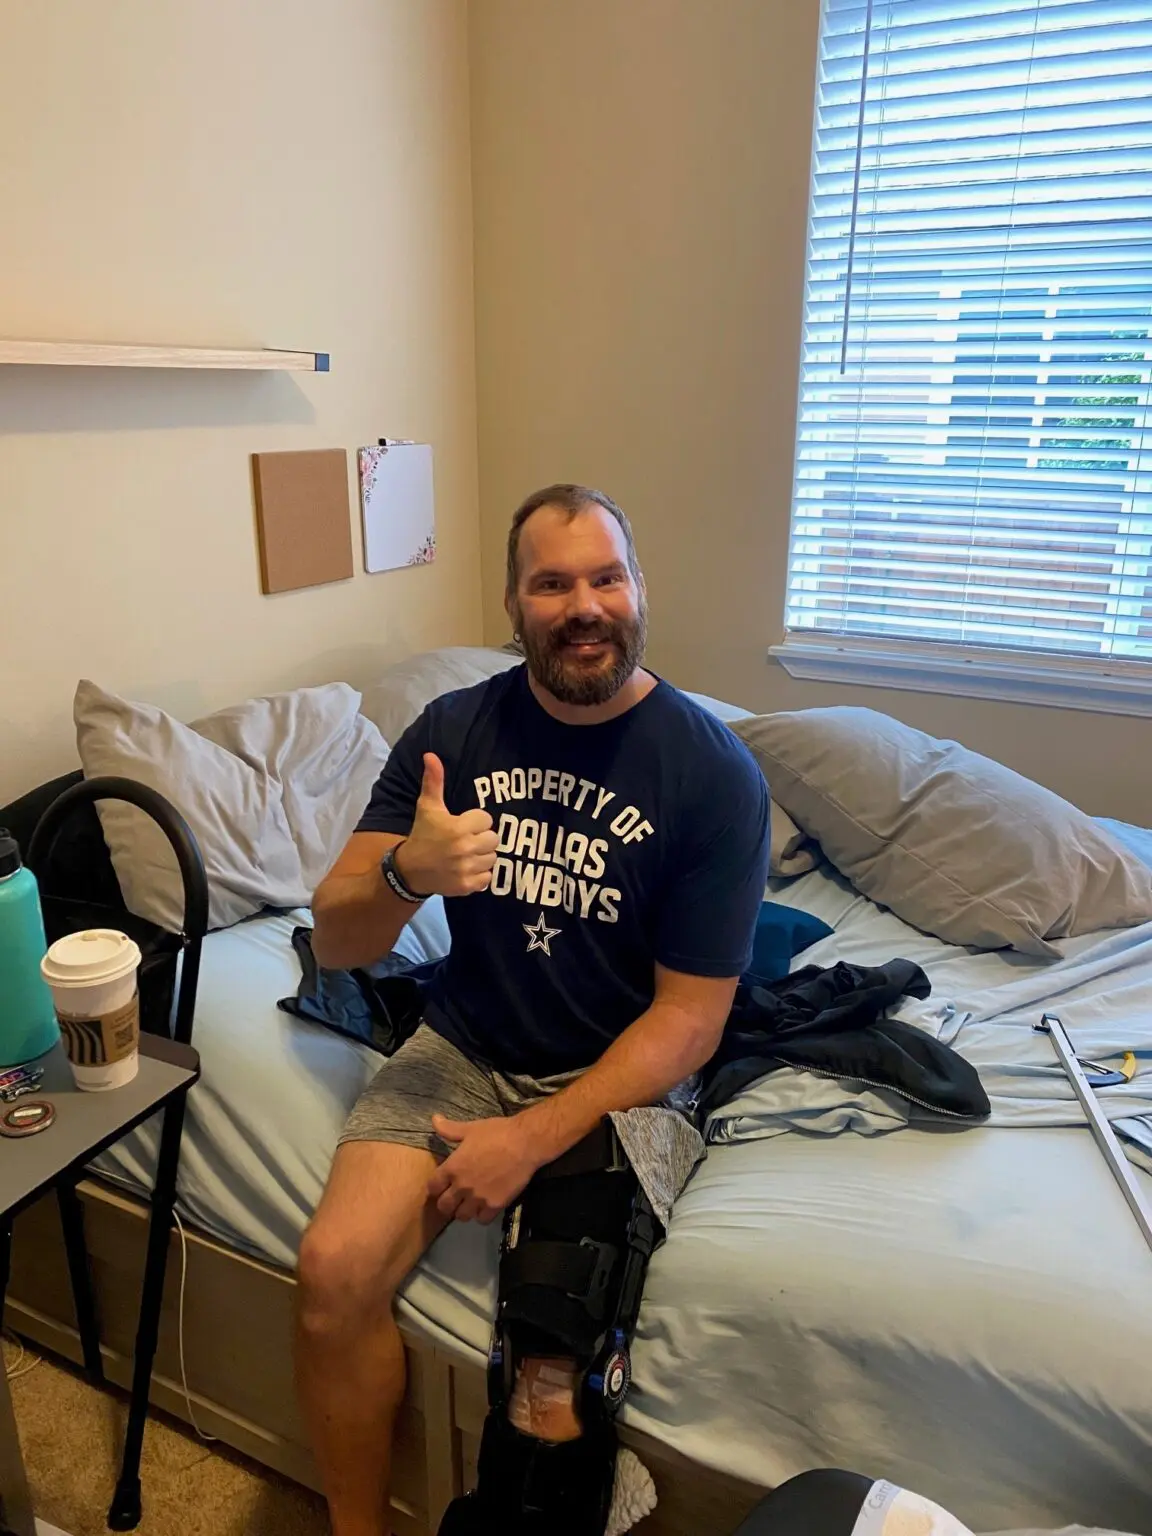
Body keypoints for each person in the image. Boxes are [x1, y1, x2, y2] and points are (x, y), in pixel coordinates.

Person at [296, 484, 771, 1536]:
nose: (583, 605)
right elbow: (336, 940)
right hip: (466, 1043)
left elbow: (690, 1023)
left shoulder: (711, 772)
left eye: (605, 577)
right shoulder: (452, 733)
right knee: (332, 1276)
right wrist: (410, 873)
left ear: (640, 591)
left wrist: (530, 1139)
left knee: (550, 1372)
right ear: (514, 605)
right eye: (551, 583)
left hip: (620, 1073)